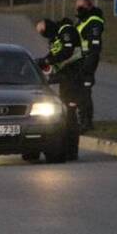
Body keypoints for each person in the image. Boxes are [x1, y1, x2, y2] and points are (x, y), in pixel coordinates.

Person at [36, 17, 83, 160]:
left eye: (44, 31)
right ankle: (68, 149)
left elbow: (67, 52)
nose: (45, 35)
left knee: (70, 115)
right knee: (66, 114)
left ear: (49, 26)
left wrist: (48, 61)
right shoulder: (56, 37)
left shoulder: (66, 31)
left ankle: (72, 151)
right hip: (65, 78)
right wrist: (43, 61)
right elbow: (54, 54)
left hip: (75, 77)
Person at [74, 0, 105, 132]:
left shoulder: (94, 22)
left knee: (84, 92)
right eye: (77, 7)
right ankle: (82, 120)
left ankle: (87, 122)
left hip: (88, 60)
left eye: (82, 6)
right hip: (80, 61)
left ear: (90, 6)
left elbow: (94, 47)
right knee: (80, 92)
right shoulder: (82, 21)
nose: (79, 9)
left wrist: (88, 67)